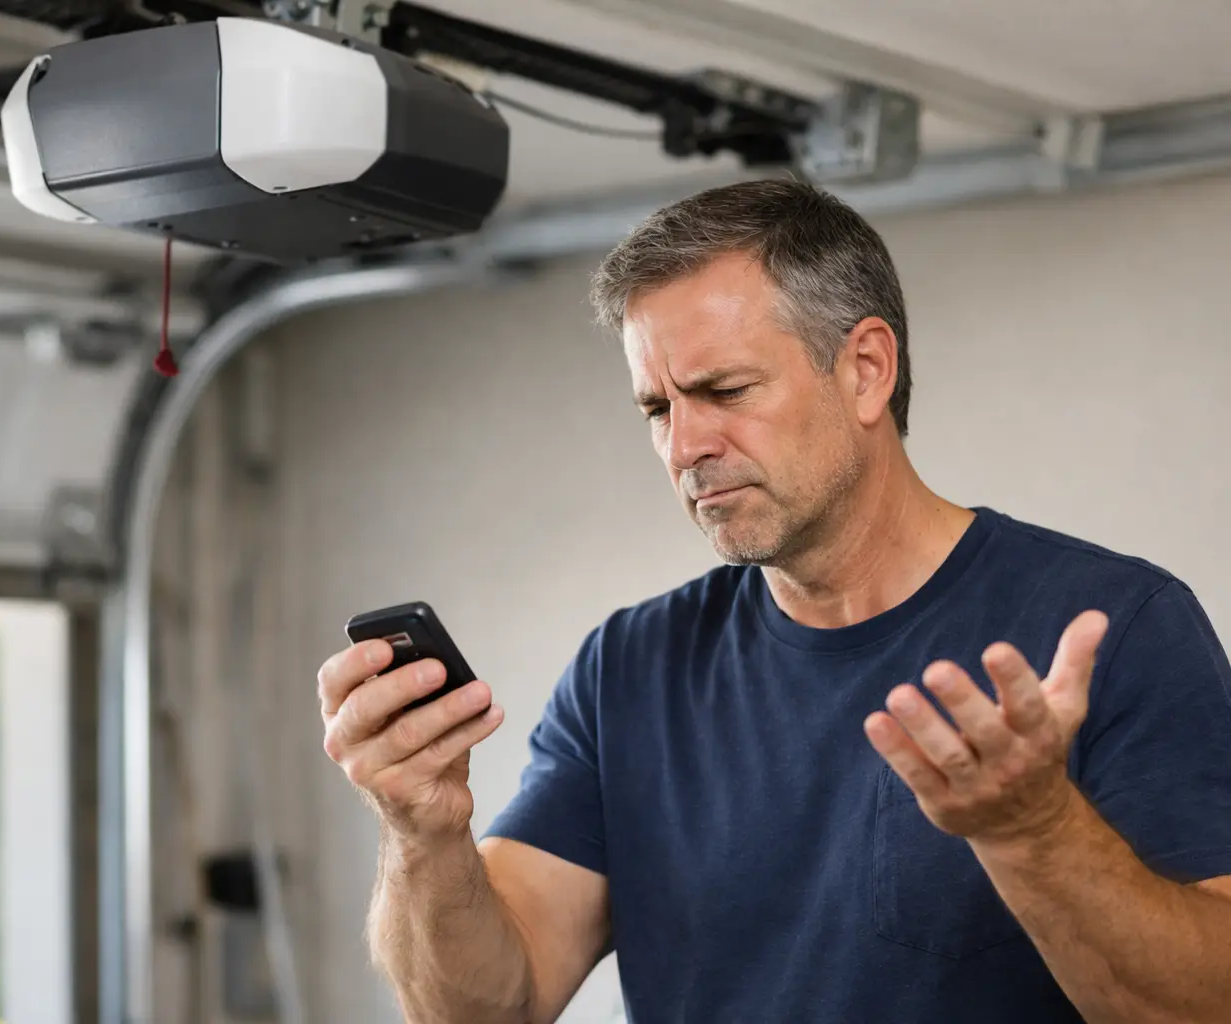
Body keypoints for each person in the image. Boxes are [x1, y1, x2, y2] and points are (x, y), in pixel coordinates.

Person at [316, 180, 1231, 1023]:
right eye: (657, 409)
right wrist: (423, 831)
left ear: (867, 369)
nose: (684, 446)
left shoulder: (1112, 626)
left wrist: (1037, 834)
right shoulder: (628, 668)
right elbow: (486, 1009)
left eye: (723, 391)